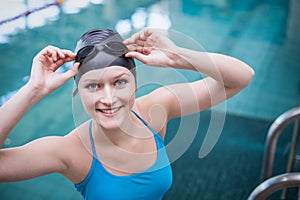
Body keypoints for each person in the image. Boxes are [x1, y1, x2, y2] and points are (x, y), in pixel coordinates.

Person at [0, 28, 254, 199]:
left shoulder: (156, 110)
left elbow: (240, 78)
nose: (108, 99)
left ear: (135, 83)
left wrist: (179, 57)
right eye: (93, 86)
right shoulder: (70, 151)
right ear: (78, 92)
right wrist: (33, 90)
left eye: (119, 82)